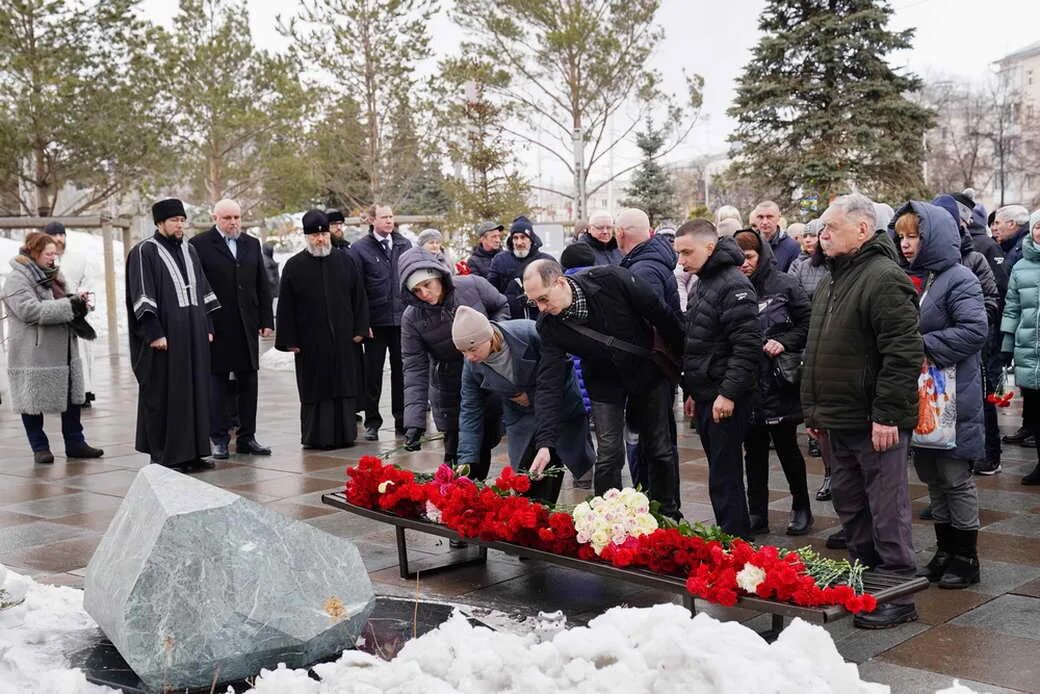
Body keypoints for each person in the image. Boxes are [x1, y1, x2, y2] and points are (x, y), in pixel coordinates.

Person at [801, 194, 923, 629]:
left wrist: (888, 415)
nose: (822, 234)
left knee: (886, 507)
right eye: (822, 228)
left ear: (862, 230)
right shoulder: (833, 277)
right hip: (837, 417)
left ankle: (897, 591)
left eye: (831, 227)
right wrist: (815, 414)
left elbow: (903, 354)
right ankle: (865, 577)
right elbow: (820, 351)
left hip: (874, 420)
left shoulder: (883, 277)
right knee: (851, 506)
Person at [524, 259, 684, 518]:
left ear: (560, 282)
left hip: (646, 371)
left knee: (659, 447)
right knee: (609, 452)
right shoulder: (549, 325)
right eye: (535, 303)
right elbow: (548, 383)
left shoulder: (610, 280)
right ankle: (609, 518)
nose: (542, 308)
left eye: (544, 298)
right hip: (603, 382)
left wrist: (684, 363)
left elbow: (662, 315)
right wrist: (545, 442)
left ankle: (667, 513)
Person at [892, 201, 986, 589]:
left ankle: (967, 557)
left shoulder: (959, 277)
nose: (906, 245)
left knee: (954, 476)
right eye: (901, 237)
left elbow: (974, 330)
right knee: (932, 476)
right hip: (927, 397)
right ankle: (944, 551)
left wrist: (918, 344)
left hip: (953, 396)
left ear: (934, 238)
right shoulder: (920, 278)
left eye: (914, 236)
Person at [675, 220, 762, 538]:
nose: (681, 260)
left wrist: (728, 393)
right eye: (679, 253)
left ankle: (735, 538)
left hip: (725, 396)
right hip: (707, 393)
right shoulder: (704, 281)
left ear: (709, 248)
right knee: (720, 473)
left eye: (687, 252)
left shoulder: (732, 283)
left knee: (725, 475)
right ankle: (732, 532)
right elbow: (699, 341)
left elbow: (747, 345)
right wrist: (693, 392)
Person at [454, 308, 595, 504]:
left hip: (558, 405)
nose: (469, 357)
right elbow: (470, 410)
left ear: (488, 337)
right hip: (520, 414)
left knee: (557, 454)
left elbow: (561, 368)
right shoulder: (471, 366)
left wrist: (531, 395)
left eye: (473, 348)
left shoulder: (529, 333)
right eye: (463, 352)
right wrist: (466, 459)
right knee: (526, 475)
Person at [126, 199, 221, 470]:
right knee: (168, 395)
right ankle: (168, 456)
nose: (179, 225)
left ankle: (193, 453)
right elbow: (141, 294)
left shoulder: (190, 250)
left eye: (182, 220)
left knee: (195, 393)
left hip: (194, 336)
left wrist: (209, 327)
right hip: (166, 339)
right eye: (173, 220)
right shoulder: (145, 251)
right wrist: (154, 332)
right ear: (160, 223)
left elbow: (204, 290)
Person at [732, 229, 813, 536]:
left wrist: (784, 341)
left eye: (750, 257)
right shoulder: (732, 286)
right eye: (739, 258)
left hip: (779, 380)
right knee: (752, 450)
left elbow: (808, 323)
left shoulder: (785, 284)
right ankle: (758, 512)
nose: (744, 264)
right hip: (750, 381)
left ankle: (801, 507)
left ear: (761, 255)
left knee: (787, 447)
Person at [398, 247, 509, 469]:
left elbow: (500, 305)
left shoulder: (472, 286)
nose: (424, 294)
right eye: (417, 290)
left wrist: (491, 337)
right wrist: (414, 421)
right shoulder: (412, 319)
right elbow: (414, 368)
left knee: (486, 440)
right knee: (458, 451)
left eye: (427, 285)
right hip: (449, 386)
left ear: (438, 275)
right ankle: (458, 495)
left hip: (486, 372)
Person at [3, 232, 103, 464]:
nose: (53, 258)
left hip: (64, 348)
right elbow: (30, 311)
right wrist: (69, 305)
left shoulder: (54, 275)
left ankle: (75, 443)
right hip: (33, 352)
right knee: (32, 399)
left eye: (55, 254)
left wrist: (78, 302)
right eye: (48, 254)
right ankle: (39, 446)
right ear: (35, 252)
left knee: (71, 397)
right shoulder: (17, 279)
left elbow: (63, 301)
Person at [275, 210, 369, 449]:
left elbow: (359, 297)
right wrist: (289, 340)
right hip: (310, 342)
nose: (320, 239)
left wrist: (360, 327)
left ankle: (346, 435)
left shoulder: (345, 261)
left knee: (344, 386)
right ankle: (317, 437)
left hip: (344, 339)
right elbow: (286, 306)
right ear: (307, 237)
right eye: (315, 236)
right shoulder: (294, 266)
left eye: (324, 234)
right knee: (316, 389)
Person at [189, 199, 274, 459]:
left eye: (237, 217)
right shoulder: (199, 245)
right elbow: (198, 287)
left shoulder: (251, 244)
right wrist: (205, 323)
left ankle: (247, 436)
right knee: (218, 382)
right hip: (218, 325)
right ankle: (219, 438)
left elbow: (262, 284)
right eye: (227, 218)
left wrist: (266, 320)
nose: (233, 222)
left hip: (246, 324)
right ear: (215, 217)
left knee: (249, 380)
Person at [616, 208, 682, 501]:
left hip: (650, 369)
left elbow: (649, 320)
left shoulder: (643, 269)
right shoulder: (649, 262)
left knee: (656, 444)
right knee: (657, 441)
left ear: (620, 235)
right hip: (656, 368)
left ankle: (663, 507)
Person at [352, 203, 411, 440]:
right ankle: (372, 421)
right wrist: (361, 321)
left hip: (402, 321)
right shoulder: (359, 249)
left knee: (402, 372)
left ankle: (401, 419)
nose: (389, 221)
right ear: (372, 220)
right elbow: (357, 289)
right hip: (375, 322)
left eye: (391, 216)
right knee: (372, 373)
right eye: (384, 217)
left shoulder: (403, 244)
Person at [1001, 209, 1040, 485]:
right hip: (1028, 350)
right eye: (1038, 227)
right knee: (1036, 412)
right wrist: (1006, 343)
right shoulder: (1020, 266)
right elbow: (1012, 308)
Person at [44, 222, 97, 408]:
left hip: (77, 312)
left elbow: (89, 284)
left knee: (81, 355)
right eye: (54, 235)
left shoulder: (79, 258)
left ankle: (84, 393)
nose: (59, 239)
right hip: (54, 314)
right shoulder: (44, 261)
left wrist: (81, 303)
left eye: (62, 234)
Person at [489, 216, 554, 319]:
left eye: (523, 237)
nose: (519, 242)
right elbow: (492, 293)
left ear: (531, 239)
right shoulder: (500, 260)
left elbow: (555, 291)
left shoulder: (546, 261)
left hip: (542, 320)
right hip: (509, 321)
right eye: (515, 238)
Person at [750, 201, 800, 272]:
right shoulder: (749, 243)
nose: (764, 222)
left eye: (769, 217)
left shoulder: (792, 247)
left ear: (778, 217)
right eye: (760, 217)